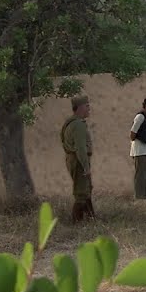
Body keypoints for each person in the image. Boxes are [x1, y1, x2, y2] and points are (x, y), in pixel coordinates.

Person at [60, 94, 95, 222]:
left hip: (74, 159)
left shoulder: (71, 123)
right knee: (81, 192)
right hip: (79, 160)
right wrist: (86, 167)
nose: (89, 109)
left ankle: (91, 218)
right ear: (80, 108)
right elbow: (81, 148)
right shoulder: (78, 125)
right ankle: (77, 222)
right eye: (87, 106)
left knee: (86, 190)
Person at [128, 97, 146, 200]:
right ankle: (139, 198)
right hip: (140, 151)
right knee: (141, 176)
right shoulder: (140, 117)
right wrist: (137, 143)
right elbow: (132, 133)